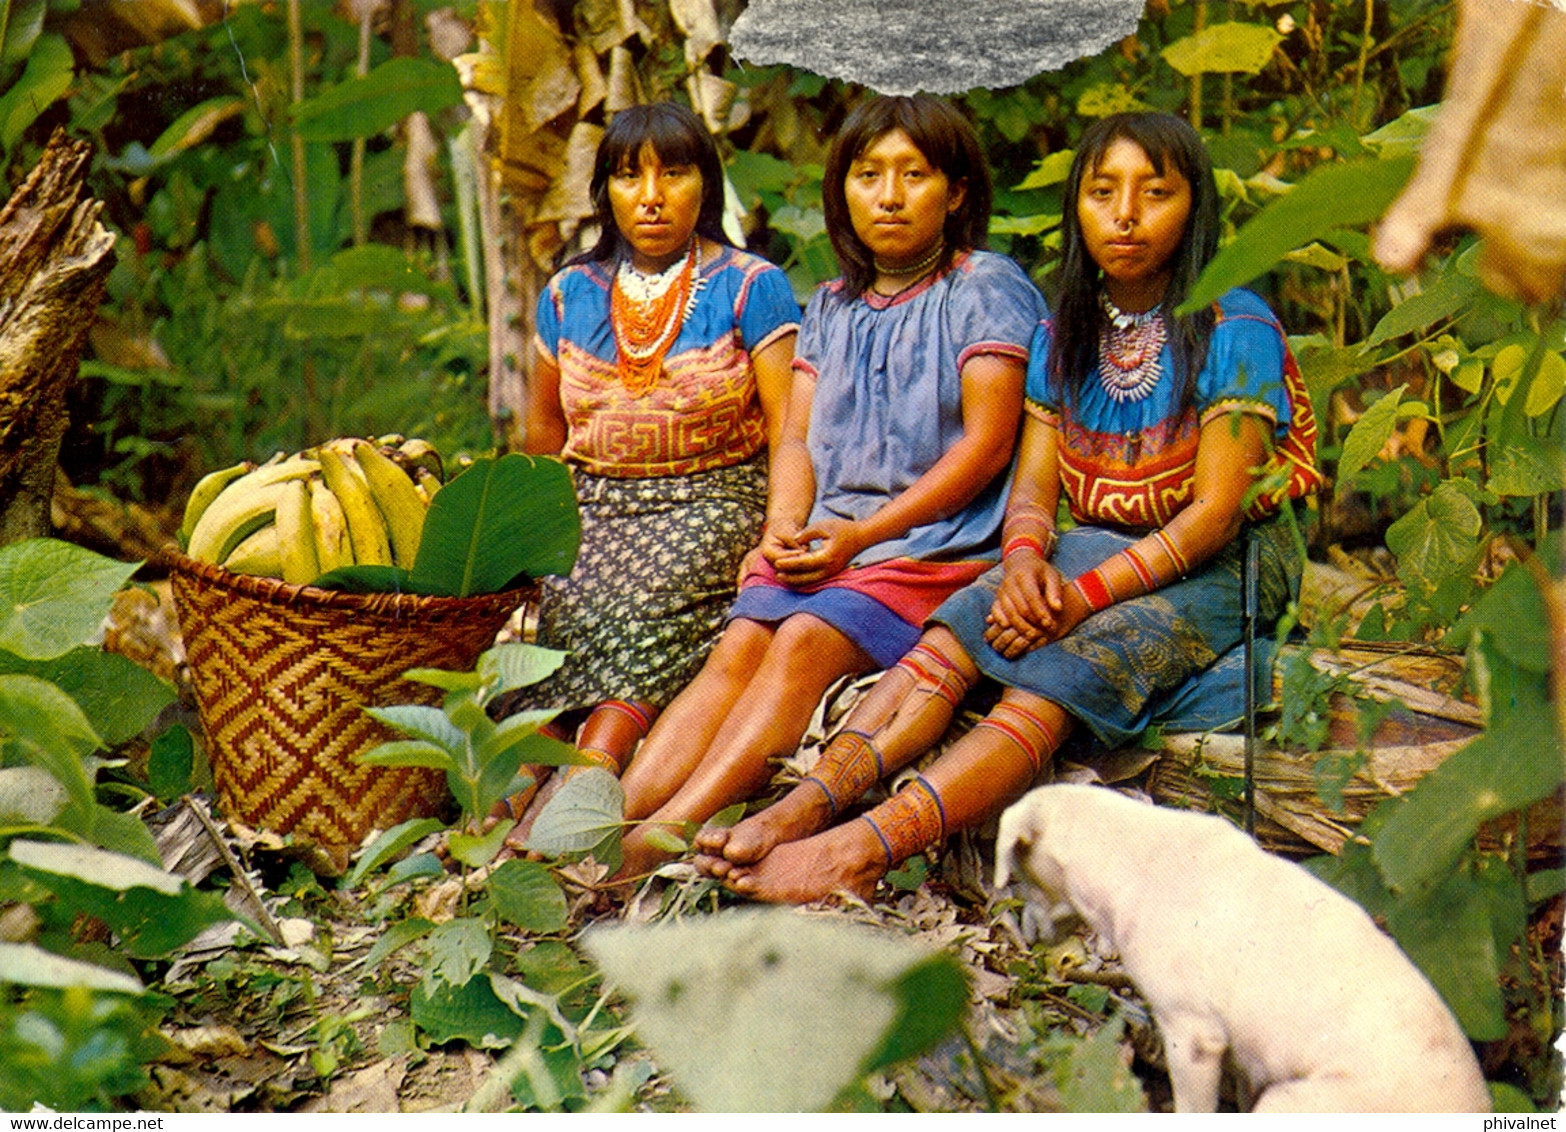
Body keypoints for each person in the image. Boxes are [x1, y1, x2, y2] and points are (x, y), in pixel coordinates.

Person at [695, 111, 1324, 903]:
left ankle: (859, 850)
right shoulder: (1066, 331)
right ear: (1078, 209)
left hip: (1232, 562)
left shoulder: (1235, 325)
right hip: (1096, 543)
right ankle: (797, 809)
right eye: (1103, 193)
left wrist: (1076, 599)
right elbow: (1032, 489)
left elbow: (1214, 516)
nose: (1125, 214)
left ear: (1194, 208)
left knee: (1054, 669)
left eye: (1154, 193)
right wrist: (1026, 560)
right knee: (958, 631)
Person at [611, 94, 1048, 880]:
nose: (888, 194)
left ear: (954, 192)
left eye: (913, 175)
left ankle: (665, 833)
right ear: (842, 188)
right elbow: (798, 441)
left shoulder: (985, 286)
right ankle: (616, 816)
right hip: (833, 536)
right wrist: (784, 525)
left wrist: (861, 537)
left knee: (805, 642)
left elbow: (986, 448)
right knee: (740, 644)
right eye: (868, 173)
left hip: (935, 545)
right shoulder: (836, 305)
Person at [495, 101, 799, 831]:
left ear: (707, 184)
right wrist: (532, 542)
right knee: (567, 626)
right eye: (630, 177)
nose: (653, 195)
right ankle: (496, 816)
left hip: (713, 502)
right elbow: (542, 433)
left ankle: (574, 814)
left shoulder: (753, 287)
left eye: (675, 173)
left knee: (642, 610)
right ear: (605, 193)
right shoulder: (569, 293)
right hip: (592, 508)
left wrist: (777, 531)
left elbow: (792, 430)